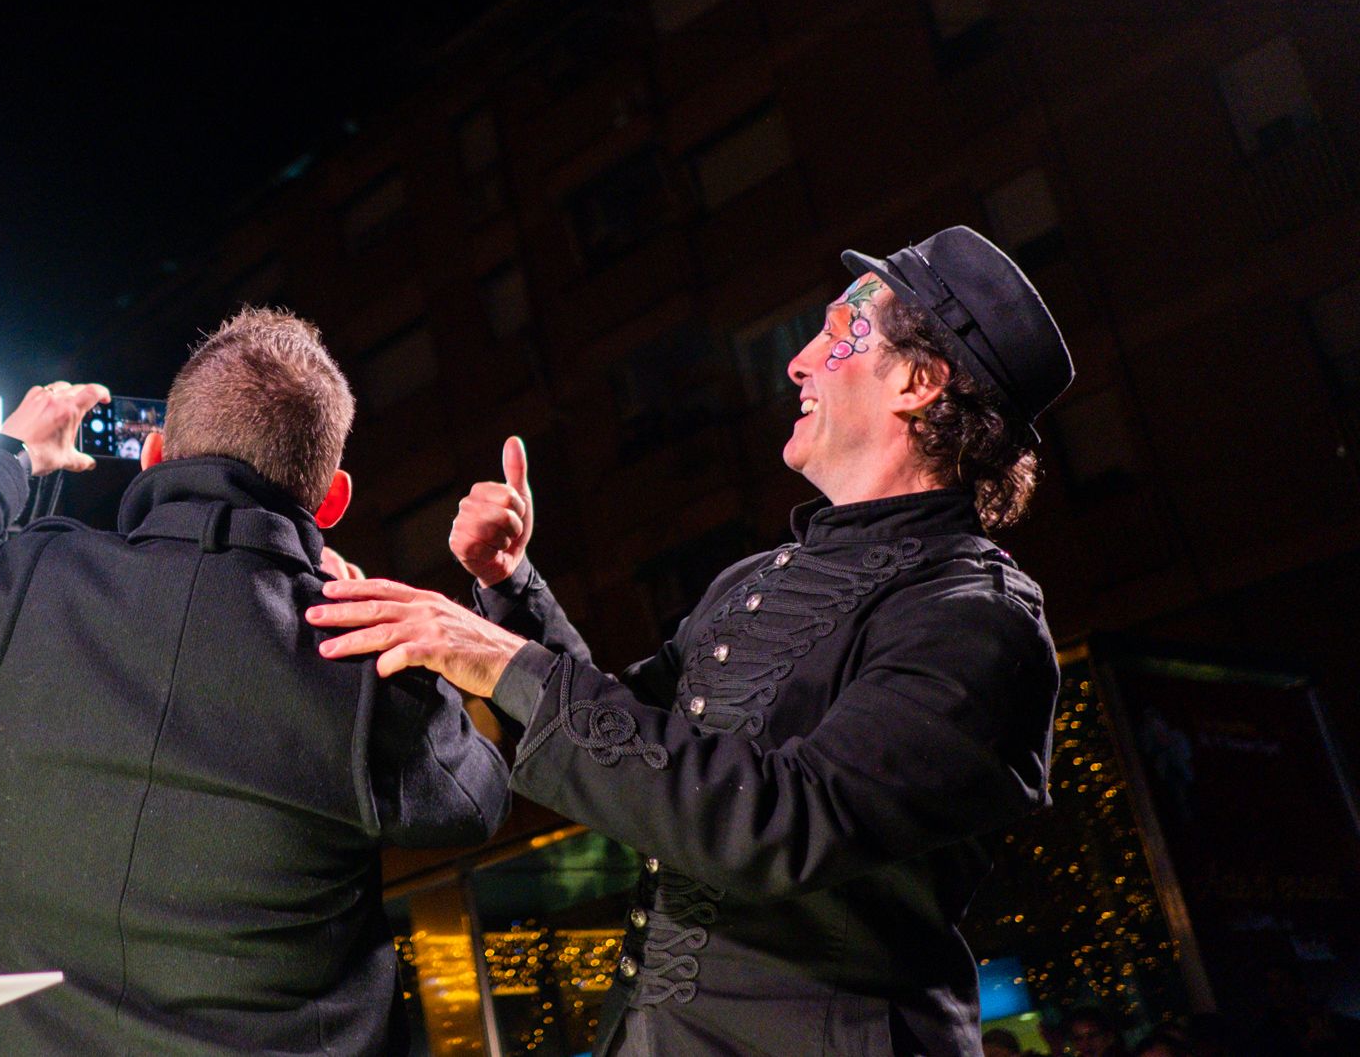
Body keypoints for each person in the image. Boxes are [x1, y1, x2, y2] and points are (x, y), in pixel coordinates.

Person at [310, 227, 1075, 1055]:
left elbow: (783, 821)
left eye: (840, 333)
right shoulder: (756, 578)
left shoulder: (977, 618)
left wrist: (502, 660)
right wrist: (511, 586)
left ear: (921, 383)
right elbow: (633, 747)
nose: (799, 359)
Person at [0, 308, 511, 1055]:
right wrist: (406, 645)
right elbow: (477, 798)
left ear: (155, 454)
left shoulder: (26, 595)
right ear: (331, 500)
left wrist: (10, 452)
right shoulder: (359, 661)